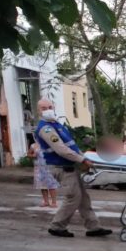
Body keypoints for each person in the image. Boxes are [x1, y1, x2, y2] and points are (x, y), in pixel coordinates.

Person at [33, 99, 112, 238]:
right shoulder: (46, 128)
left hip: (69, 166)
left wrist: (86, 158)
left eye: (50, 107)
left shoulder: (57, 125)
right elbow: (61, 149)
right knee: (73, 197)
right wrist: (83, 160)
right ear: (39, 110)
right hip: (61, 167)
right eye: (44, 108)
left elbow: (71, 146)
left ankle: (93, 227)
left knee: (83, 198)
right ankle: (57, 226)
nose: (48, 110)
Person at [27, 133, 59, 208]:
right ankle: (46, 201)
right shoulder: (34, 145)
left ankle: (54, 202)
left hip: (49, 166)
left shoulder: (49, 144)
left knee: (51, 184)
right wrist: (33, 155)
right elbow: (28, 154)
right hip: (39, 167)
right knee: (42, 185)